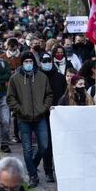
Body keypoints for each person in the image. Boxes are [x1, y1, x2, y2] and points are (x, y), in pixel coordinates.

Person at [6, 51, 53, 188]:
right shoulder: (15, 78)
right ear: (22, 63)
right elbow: (10, 98)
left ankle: (33, 163)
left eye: (30, 61)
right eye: (25, 61)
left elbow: (49, 95)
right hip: (23, 119)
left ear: (34, 62)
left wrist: (43, 108)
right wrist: (20, 110)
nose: (28, 64)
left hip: (40, 117)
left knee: (44, 146)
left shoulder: (42, 77)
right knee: (27, 149)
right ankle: (33, 176)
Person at [40, 52, 67, 182]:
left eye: (48, 60)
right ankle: (48, 170)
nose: (47, 63)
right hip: (43, 115)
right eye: (44, 60)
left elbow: (65, 94)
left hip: (59, 114)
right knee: (47, 145)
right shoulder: (38, 77)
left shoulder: (60, 77)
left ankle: (61, 169)